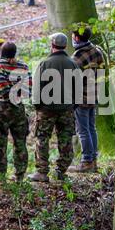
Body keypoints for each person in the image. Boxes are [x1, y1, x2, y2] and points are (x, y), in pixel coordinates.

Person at [29, 33, 80, 182]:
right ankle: (61, 171)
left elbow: (37, 88)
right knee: (65, 140)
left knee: (42, 138)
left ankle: (42, 172)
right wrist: (72, 106)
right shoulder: (73, 64)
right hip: (66, 109)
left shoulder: (45, 64)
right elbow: (78, 89)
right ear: (65, 46)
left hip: (46, 109)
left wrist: (38, 106)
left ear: (52, 45)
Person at [0, 42, 32, 183]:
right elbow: (27, 91)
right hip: (18, 107)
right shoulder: (24, 67)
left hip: (3, 108)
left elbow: (1, 89)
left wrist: (10, 91)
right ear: (15, 52)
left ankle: (1, 177)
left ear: (2, 53)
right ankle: (19, 175)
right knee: (20, 142)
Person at [68, 27, 105, 173]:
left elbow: (72, 79)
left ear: (76, 38)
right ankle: (93, 160)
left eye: (73, 35)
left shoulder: (77, 57)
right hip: (95, 95)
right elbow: (102, 72)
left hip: (81, 98)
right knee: (91, 128)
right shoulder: (97, 51)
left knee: (83, 130)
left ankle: (87, 161)